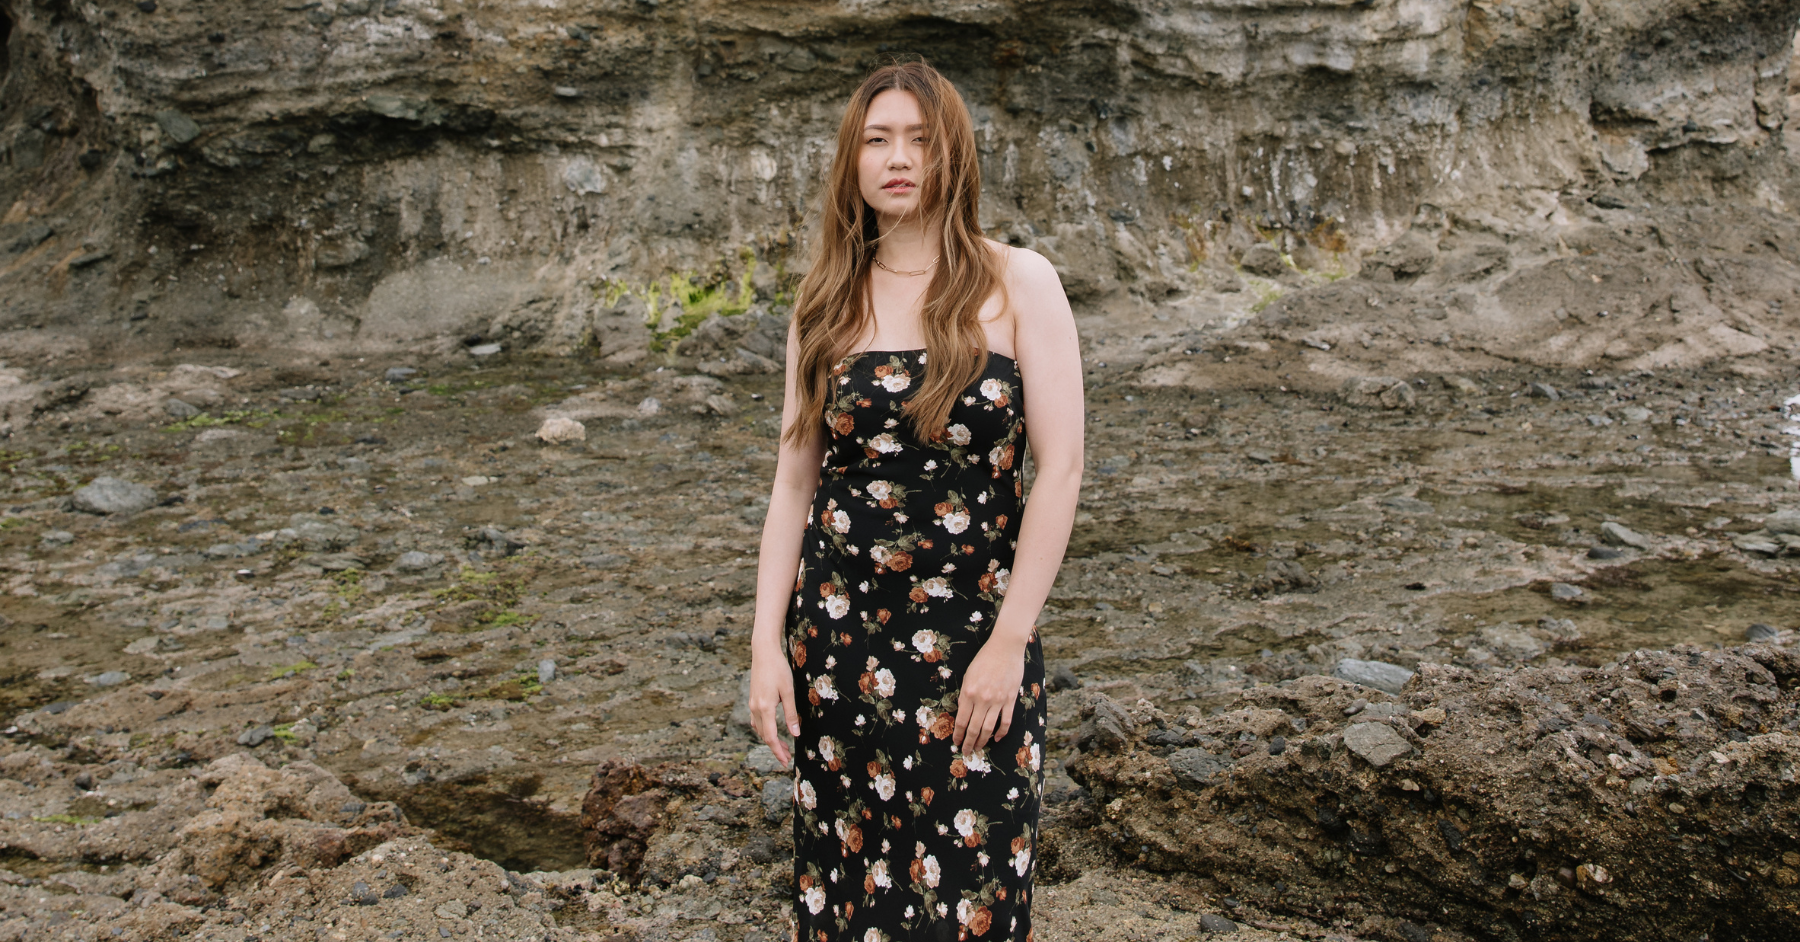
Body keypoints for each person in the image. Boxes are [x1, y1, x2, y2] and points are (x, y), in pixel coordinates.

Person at [745, 59, 1085, 942]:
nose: (900, 158)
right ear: (851, 163)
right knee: (848, 898)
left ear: (954, 157)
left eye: (922, 141)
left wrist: (1010, 641)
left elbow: (1063, 468)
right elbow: (793, 484)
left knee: (974, 899)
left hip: (976, 646)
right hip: (839, 645)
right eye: (878, 140)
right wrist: (765, 649)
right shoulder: (823, 302)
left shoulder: (1020, 283)